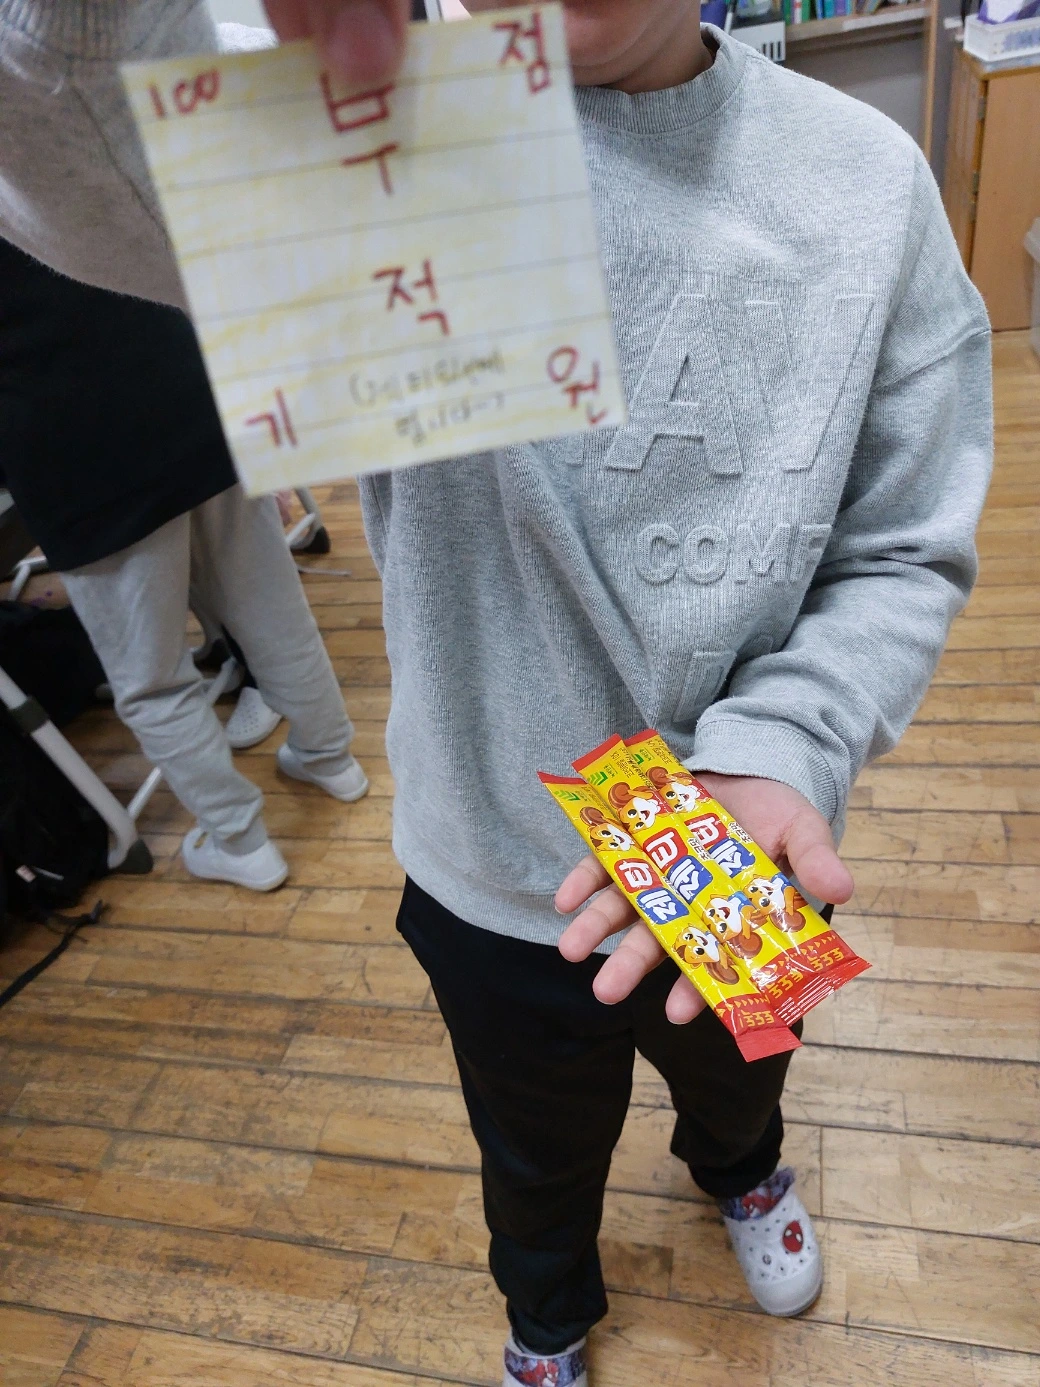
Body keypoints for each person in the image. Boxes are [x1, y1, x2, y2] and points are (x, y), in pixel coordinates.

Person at [0, 2, 993, 1384]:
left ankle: (742, 1170)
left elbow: (902, 538)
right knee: (530, 1141)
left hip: (741, 830)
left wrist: (791, 735)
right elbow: (63, 127)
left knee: (741, 1072)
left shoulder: (865, 178)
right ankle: (544, 1314)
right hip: (487, 847)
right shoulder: (367, 135)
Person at [0, 237, 369, 894]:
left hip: (79, 454)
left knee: (153, 680)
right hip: (186, 388)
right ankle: (331, 758)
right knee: (274, 615)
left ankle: (241, 842)